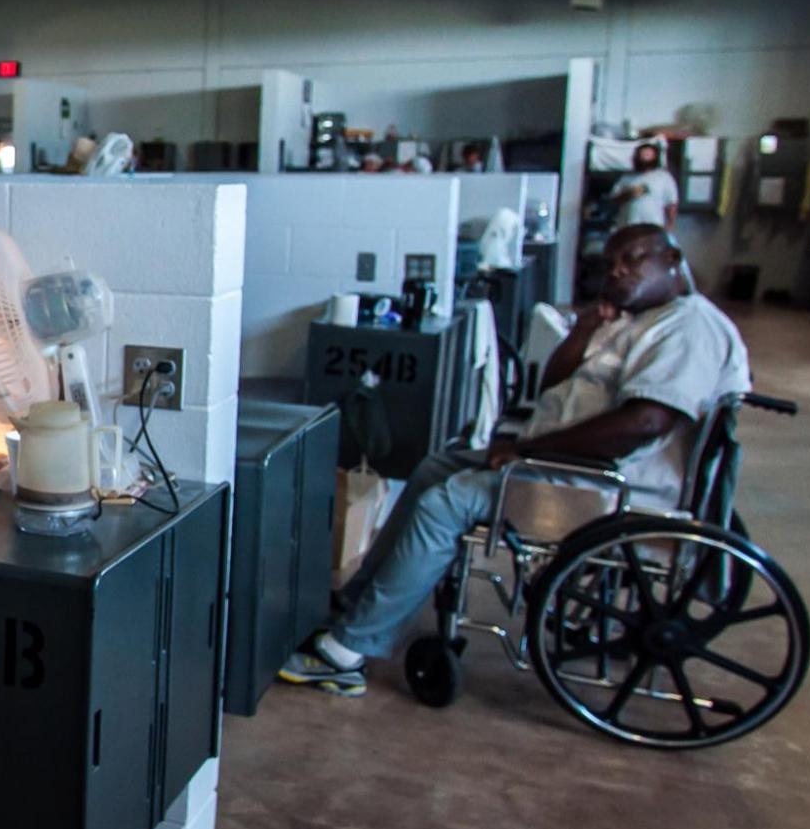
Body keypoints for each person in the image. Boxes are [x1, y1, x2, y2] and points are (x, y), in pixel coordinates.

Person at [281, 224, 749, 697]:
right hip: (563, 463)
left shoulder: (688, 328)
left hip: (602, 486)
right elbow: (553, 385)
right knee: (433, 468)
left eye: (632, 260)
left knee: (444, 505)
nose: (618, 272)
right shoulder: (639, 318)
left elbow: (644, 424)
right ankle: (358, 605)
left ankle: (346, 652)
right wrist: (588, 326)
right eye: (611, 264)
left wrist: (527, 451)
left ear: (672, 260)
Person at [607, 141, 679, 229]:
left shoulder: (663, 177)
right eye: (643, 154)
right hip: (629, 227)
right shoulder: (627, 177)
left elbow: (671, 204)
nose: (645, 157)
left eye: (648, 154)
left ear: (655, 157)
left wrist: (670, 225)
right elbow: (614, 200)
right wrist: (628, 194)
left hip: (653, 228)